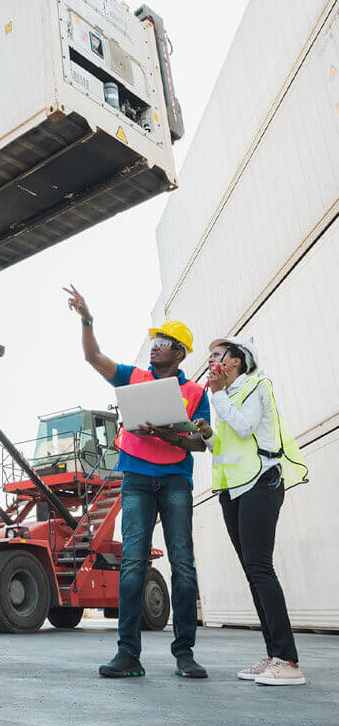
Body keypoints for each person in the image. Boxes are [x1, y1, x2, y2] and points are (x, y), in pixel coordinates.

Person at [64, 284, 209, 680]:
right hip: (137, 480)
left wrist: (169, 436)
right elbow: (93, 357)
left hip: (176, 481)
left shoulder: (196, 391)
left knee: (182, 565)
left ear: (179, 353)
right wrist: (86, 319)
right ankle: (128, 654)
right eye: (155, 340)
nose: (155, 345)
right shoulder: (133, 376)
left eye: (164, 341)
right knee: (131, 566)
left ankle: (185, 655)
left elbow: (200, 441)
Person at [194, 337, 308, 686]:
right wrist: (210, 434)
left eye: (217, 355)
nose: (211, 361)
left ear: (238, 360)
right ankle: (274, 654)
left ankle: (288, 660)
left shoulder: (258, 386)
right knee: (252, 571)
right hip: (234, 489)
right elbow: (229, 443)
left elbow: (246, 426)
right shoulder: (224, 398)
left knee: (260, 567)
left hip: (262, 483)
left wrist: (216, 397)